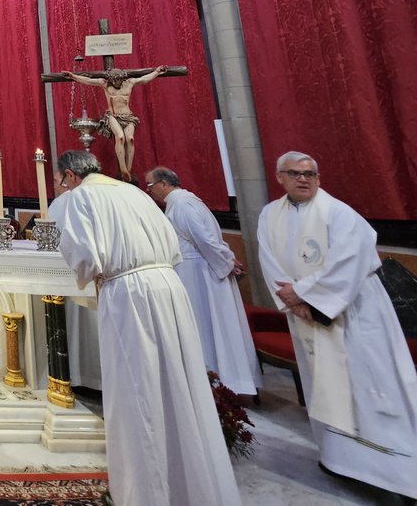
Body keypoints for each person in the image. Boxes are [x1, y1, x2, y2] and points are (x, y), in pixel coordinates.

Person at [56, 150, 240, 506]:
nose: (61, 186)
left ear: (69, 176)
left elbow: (84, 259)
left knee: (137, 391)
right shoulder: (136, 193)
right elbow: (171, 246)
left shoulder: (80, 198)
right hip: (169, 287)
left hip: (129, 295)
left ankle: (146, 494)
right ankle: (198, 486)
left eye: (60, 180)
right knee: (179, 385)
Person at [257, 151, 417, 500]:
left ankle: (397, 473)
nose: (304, 179)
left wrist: (304, 295)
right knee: (325, 386)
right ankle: (340, 459)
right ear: (279, 177)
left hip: (356, 313)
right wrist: (293, 301)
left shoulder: (340, 214)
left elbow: (351, 261)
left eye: (310, 173)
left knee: (372, 384)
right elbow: (268, 260)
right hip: (308, 318)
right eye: (295, 173)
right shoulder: (270, 215)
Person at [145, 166, 261, 395]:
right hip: (197, 269)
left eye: (150, 185)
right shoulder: (180, 202)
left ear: (164, 184)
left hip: (199, 273)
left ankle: (221, 379)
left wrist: (227, 261)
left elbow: (204, 239)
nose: (149, 191)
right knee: (205, 325)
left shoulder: (182, 204)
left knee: (207, 325)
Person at [63, 65, 165, 180]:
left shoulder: (129, 83)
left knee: (130, 139)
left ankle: (129, 168)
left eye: (119, 80)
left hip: (128, 116)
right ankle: (123, 168)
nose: (117, 83)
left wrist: (156, 72)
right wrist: (73, 76)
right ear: (111, 79)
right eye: (114, 81)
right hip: (113, 116)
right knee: (120, 137)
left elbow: (144, 79)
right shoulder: (105, 84)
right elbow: (88, 80)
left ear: (122, 78)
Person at [48, 180, 103, 391]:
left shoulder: (63, 202)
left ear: (67, 178)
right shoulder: (98, 199)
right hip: (98, 273)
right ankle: (98, 377)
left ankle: (74, 375)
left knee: (74, 326)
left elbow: (52, 236)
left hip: (73, 271)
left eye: (55, 180)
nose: (53, 185)